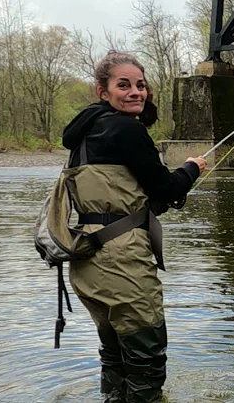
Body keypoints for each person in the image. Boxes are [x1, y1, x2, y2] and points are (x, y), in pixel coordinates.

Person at [61, 50, 207, 402]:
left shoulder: (85, 133)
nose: (135, 92)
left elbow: (127, 198)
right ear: (103, 91)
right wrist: (192, 168)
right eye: (123, 85)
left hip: (86, 257)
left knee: (114, 356)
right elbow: (167, 189)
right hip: (121, 259)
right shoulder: (126, 128)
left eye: (141, 85)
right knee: (146, 358)